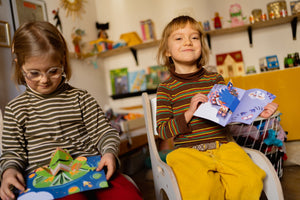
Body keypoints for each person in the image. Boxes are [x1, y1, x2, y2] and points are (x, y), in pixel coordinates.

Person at [0, 21, 142, 200]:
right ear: (19, 66)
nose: (44, 80)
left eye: (53, 71)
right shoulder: (15, 109)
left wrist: (108, 152)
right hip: (46, 182)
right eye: (34, 73)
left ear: (63, 62)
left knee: (126, 195)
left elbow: (104, 132)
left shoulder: (80, 98)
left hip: (92, 171)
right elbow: (12, 152)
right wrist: (9, 172)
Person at [156, 15, 278, 200]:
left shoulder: (215, 79)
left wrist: (259, 110)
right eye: (179, 38)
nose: (188, 41)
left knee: (251, 180)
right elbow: (163, 130)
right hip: (187, 153)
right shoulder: (166, 88)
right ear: (167, 51)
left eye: (194, 37)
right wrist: (189, 113)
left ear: (201, 45)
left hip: (225, 147)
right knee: (202, 189)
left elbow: (233, 110)